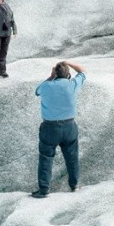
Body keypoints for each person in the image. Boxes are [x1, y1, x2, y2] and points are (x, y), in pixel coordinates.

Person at [32, 60, 87, 198]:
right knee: (72, 158)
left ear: (55, 73)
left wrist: (51, 76)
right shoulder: (73, 84)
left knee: (46, 158)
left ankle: (44, 190)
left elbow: (37, 92)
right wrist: (68, 63)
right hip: (69, 126)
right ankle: (74, 185)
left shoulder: (47, 86)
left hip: (50, 127)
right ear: (68, 74)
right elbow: (82, 71)